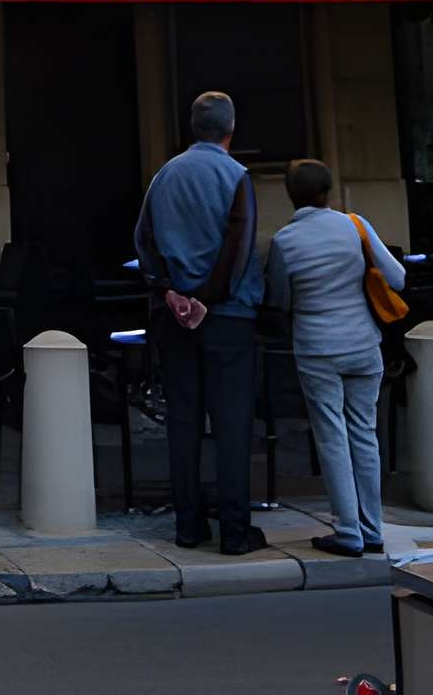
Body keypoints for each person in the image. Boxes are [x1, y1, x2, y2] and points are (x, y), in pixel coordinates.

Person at [135, 89, 266, 552]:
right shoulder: (236, 175)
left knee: (183, 422)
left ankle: (188, 526)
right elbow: (239, 243)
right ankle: (234, 531)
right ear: (231, 129)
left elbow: (144, 241)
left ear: (193, 127)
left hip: (173, 315)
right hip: (227, 316)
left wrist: (171, 291)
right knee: (231, 426)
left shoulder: (164, 176)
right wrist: (209, 297)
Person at [264, 158, 406, 557]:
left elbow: (279, 300)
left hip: (316, 346)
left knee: (331, 436)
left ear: (291, 195)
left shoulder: (284, 241)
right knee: (365, 432)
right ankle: (372, 528)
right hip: (363, 343)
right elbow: (397, 278)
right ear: (328, 191)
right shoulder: (354, 224)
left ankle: (347, 532)